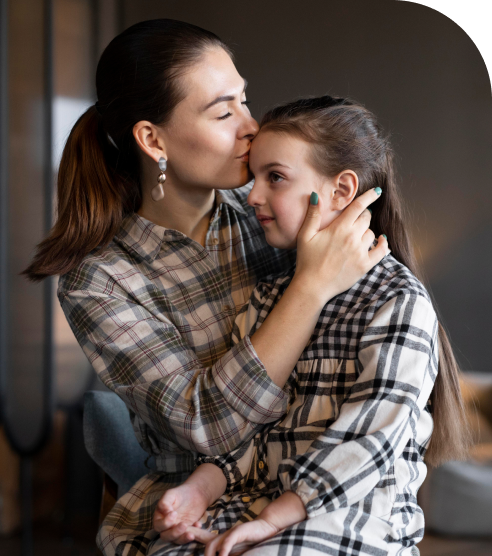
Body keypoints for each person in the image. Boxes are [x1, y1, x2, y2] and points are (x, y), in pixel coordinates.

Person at [22, 20, 389, 556]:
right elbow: (204, 424)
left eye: (244, 100)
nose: (251, 126)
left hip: (318, 483)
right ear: (153, 139)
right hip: (197, 503)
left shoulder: (270, 213)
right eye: (223, 112)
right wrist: (309, 287)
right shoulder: (99, 280)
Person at [150, 97, 470, 556]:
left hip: (357, 513)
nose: (253, 196)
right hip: (260, 501)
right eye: (254, 177)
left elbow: (368, 440)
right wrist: (198, 489)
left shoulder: (397, 301)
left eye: (274, 177)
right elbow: (248, 431)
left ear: (341, 191)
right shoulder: (268, 299)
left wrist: (268, 523)